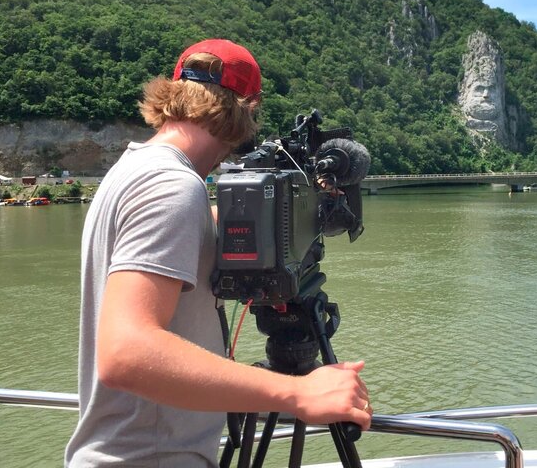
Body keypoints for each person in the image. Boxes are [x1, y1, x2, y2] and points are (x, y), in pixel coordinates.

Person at [65, 39, 372, 467]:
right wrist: (298, 392)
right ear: (248, 107)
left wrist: (278, 212)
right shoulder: (172, 187)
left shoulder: (132, 170)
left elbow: (179, 231)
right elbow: (126, 353)